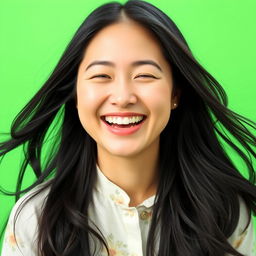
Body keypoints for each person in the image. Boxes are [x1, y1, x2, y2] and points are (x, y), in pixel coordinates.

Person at [0, 0, 255, 255]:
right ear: (76, 95)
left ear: (175, 93)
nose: (123, 97)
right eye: (101, 76)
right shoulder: (34, 219)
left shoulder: (225, 213)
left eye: (145, 75)